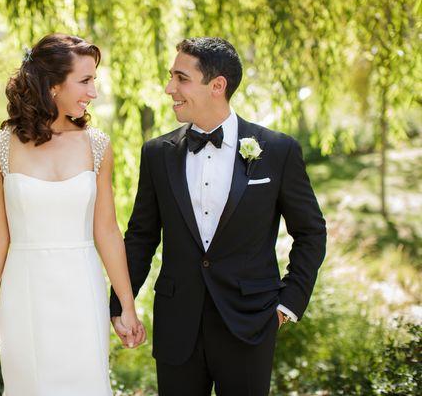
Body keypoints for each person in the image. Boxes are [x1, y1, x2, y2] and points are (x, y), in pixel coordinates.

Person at [110, 37, 327, 395]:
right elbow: (141, 237)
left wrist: (289, 303)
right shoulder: (156, 154)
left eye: (181, 78)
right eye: (171, 77)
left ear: (217, 85)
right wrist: (121, 304)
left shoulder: (277, 150)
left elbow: (311, 232)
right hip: (178, 324)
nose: (169, 88)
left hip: (250, 323)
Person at [0, 33, 144, 395]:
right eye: (85, 81)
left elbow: (108, 232)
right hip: (25, 291)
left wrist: (126, 305)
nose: (93, 92)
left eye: (93, 80)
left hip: (83, 290)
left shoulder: (98, 146)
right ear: (52, 86)